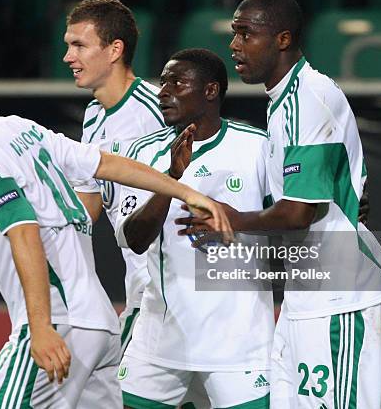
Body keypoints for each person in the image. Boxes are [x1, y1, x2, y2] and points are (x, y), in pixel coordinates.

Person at [0, 46, 231, 408]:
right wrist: (184, 191)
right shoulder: (18, 128)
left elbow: (24, 230)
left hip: (58, 322)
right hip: (99, 326)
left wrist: (40, 328)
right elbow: (105, 164)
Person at [178, 0, 381, 408]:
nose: (234, 46)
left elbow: (299, 212)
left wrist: (230, 220)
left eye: (246, 34)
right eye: (233, 34)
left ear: (283, 39)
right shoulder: (285, 101)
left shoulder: (306, 98)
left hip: (341, 296)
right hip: (308, 292)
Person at [114, 48, 274, 409]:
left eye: (178, 82)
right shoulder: (143, 154)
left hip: (239, 342)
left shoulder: (257, 148)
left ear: (211, 90)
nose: (163, 91)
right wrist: (171, 180)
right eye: (163, 81)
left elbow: (291, 226)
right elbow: (135, 241)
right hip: (162, 337)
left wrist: (237, 224)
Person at [63, 0, 166, 356]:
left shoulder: (161, 108)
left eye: (79, 45)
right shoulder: (92, 116)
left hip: (172, 289)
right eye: (67, 46)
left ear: (114, 50)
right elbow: (87, 205)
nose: (68, 57)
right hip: (139, 288)